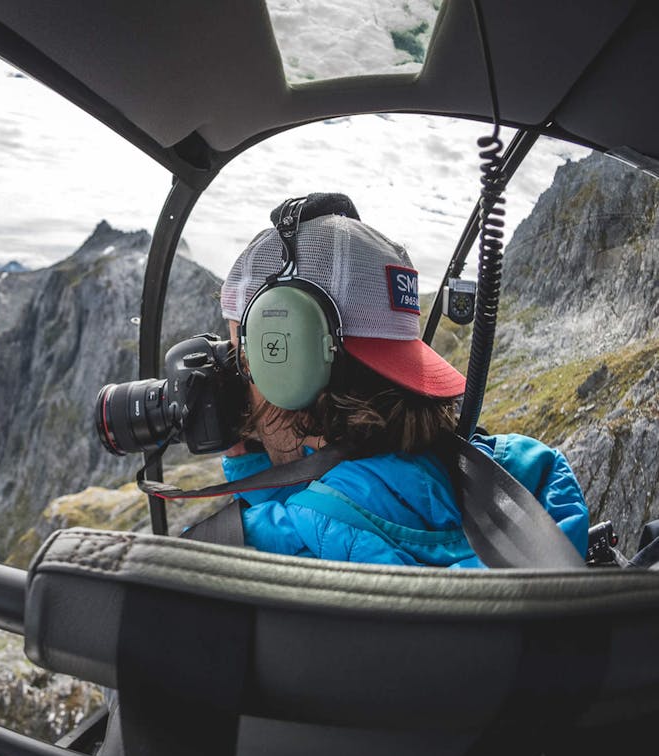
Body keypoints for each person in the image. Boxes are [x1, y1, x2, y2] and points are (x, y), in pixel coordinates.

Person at [217, 196, 589, 567]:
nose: (237, 383)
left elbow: (321, 522)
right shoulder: (528, 477)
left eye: (241, 356)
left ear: (286, 360)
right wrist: (257, 463)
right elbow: (358, 499)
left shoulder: (246, 547)